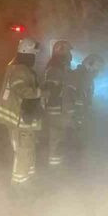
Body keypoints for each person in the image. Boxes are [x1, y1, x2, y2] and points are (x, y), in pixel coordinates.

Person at [0, 38, 42, 188]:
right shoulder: (20, 69)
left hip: (23, 118)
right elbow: (22, 90)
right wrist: (43, 92)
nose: (35, 57)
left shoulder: (17, 68)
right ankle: (19, 185)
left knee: (27, 149)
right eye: (34, 54)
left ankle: (26, 179)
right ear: (27, 53)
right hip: (20, 119)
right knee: (23, 151)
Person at [42, 40, 75, 168]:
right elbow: (53, 90)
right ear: (61, 51)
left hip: (61, 109)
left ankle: (58, 165)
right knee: (56, 139)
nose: (70, 55)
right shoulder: (55, 68)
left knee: (59, 139)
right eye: (68, 51)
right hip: (56, 110)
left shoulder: (60, 67)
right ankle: (55, 169)